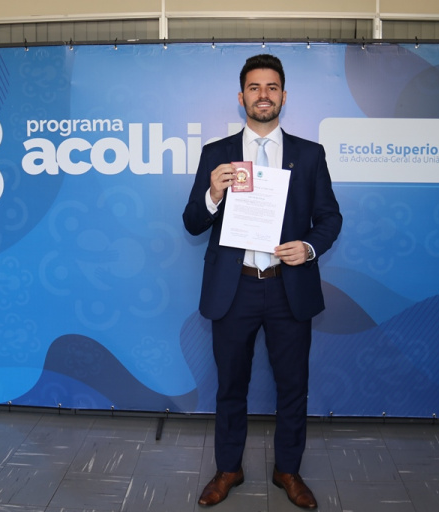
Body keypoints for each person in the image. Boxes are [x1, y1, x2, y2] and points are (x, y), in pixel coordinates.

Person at [182, 54, 342, 509]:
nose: (263, 95)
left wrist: (308, 247)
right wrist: (213, 193)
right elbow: (192, 222)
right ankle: (228, 468)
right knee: (230, 385)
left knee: (293, 385)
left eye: (272, 87)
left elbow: (330, 218)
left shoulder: (310, 155)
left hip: (289, 286)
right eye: (255, 87)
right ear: (242, 97)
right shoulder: (217, 154)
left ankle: (287, 469)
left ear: (284, 96)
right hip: (234, 289)